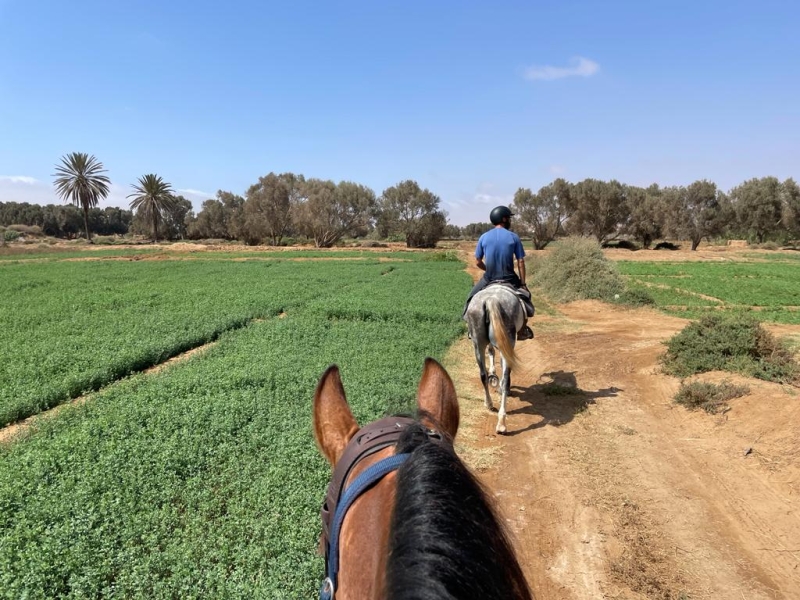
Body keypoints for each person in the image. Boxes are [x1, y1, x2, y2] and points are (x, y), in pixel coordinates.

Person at [463, 205, 534, 340]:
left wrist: (488, 269)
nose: (510, 221)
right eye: (509, 218)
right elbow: (520, 262)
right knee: (526, 300)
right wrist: (523, 284)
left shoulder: (484, 237)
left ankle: (471, 330)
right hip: (510, 279)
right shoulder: (514, 237)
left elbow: (477, 261)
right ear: (504, 219)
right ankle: (523, 329)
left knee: (470, 299)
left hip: (489, 278)